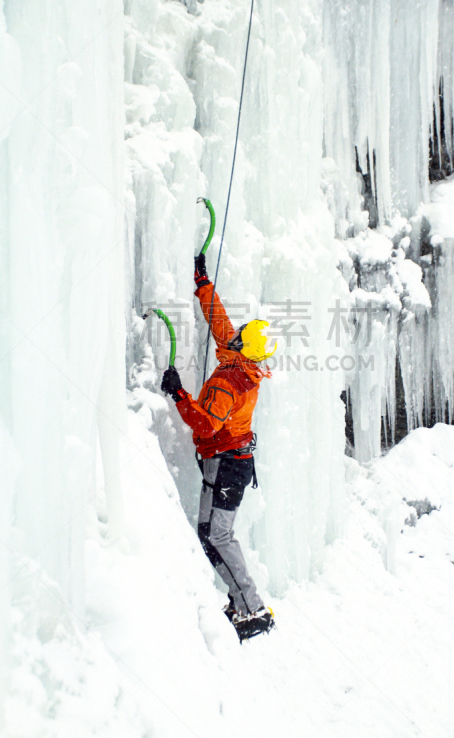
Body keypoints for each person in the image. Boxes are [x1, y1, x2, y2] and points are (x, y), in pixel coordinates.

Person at [161, 252, 275, 640]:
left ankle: (252, 608)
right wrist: (202, 284)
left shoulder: (231, 382)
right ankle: (240, 602)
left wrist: (178, 394)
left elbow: (206, 424)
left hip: (228, 464)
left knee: (218, 535)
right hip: (230, 462)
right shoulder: (241, 361)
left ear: (243, 346)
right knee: (208, 532)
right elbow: (221, 322)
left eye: (240, 334)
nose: (234, 333)